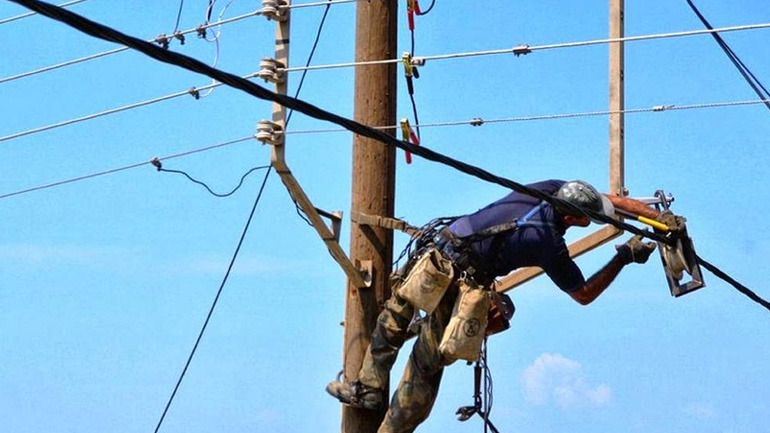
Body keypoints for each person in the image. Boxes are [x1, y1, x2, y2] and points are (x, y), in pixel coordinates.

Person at [327, 179, 677, 433]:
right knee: (425, 364)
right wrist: (624, 258)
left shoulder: (553, 188)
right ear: (571, 218)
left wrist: (659, 222)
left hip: (440, 254)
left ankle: (368, 387)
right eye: (586, 220)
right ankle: (383, 418)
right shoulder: (547, 243)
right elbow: (583, 293)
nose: (590, 222)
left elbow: (610, 202)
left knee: (395, 316)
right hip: (460, 281)